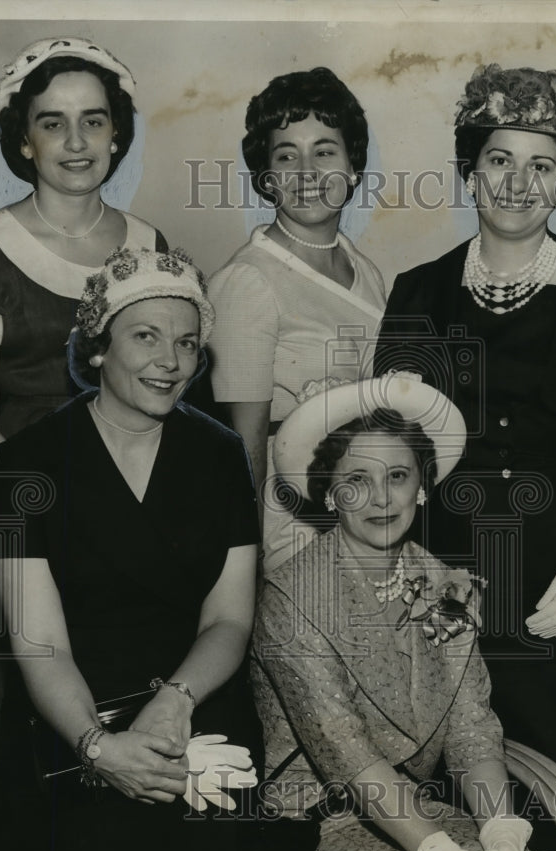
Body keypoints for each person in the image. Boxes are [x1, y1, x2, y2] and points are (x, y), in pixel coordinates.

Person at [373, 65, 556, 827]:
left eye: (542, 165)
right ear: (470, 169)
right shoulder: (417, 294)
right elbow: (389, 454)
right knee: (455, 804)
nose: (517, 183)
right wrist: (413, 576)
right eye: (499, 159)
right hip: (444, 594)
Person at [0, 247, 264, 851]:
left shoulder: (219, 454)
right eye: (146, 336)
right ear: (98, 344)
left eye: (186, 342)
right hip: (70, 734)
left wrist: (175, 704)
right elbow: (38, 641)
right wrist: (97, 748)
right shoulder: (27, 464)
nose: (170, 361)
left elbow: (229, 620)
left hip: (198, 716)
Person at [250, 374, 556, 851]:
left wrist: (500, 833)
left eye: (398, 476)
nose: (381, 497)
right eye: (357, 479)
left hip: (422, 813)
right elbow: (347, 756)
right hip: (316, 835)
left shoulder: (445, 587)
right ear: (328, 493)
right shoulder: (291, 597)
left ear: (423, 488)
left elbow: (471, 731)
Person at [0, 36, 168, 817]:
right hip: (26, 524)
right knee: (27, 738)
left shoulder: (150, 250)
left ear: (117, 134)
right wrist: (60, 518)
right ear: (23, 139)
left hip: (132, 531)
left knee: (131, 724)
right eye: (53, 122)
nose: (76, 143)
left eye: (93, 122)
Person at [208, 67, 386, 574]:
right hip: (288, 524)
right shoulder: (247, 280)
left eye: (325, 151)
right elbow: (243, 454)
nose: (306, 173)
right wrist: (248, 570)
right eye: (286, 155)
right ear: (267, 176)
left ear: (353, 166)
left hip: (365, 510)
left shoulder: (366, 270)